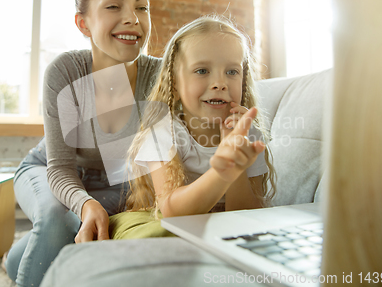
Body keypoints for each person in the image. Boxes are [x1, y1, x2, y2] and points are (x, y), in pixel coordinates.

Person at [4, 0, 161, 286]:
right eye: (113, 7)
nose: (132, 19)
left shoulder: (160, 76)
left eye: (141, 7)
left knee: (32, 253)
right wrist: (84, 203)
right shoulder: (64, 72)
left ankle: (22, 256)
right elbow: (59, 167)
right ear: (83, 23)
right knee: (56, 218)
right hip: (49, 169)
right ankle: (48, 234)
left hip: (114, 186)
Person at [108, 15, 276, 239]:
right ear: (175, 84)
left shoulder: (248, 133)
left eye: (232, 71)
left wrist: (235, 162)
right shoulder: (163, 133)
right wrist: (222, 171)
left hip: (224, 229)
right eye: (202, 71)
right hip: (173, 225)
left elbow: (244, 216)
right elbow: (172, 212)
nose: (220, 83)